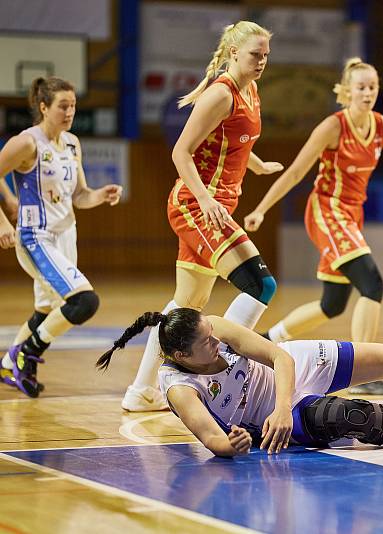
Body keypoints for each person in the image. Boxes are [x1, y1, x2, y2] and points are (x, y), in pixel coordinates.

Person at [244, 57, 383, 396]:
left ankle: (267, 341)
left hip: (351, 215)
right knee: (373, 284)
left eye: (373, 87)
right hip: (326, 210)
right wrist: (262, 209)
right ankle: (364, 372)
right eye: (361, 87)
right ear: (347, 91)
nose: (368, 93)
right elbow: (295, 172)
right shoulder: (333, 126)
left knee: (332, 304)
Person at [98, 309, 383, 456]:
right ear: (180, 357)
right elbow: (213, 440)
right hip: (274, 418)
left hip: (292, 372)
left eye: (214, 335)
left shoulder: (213, 329)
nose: (216, 342)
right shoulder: (180, 389)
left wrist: (283, 402)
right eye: (206, 345)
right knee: (353, 417)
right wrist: (233, 445)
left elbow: (277, 354)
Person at [123, 21, 285, 411]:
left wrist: (257, 165)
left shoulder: (252, 89)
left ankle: (143, 391)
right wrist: (206, 199)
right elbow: (182, 151)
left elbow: (233, 143)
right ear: (233, 54)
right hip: (196, 205)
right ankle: (222, 373)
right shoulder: (220, 94)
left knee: (185, 305)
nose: (261, 61)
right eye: (254, 55)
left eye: (265, 55)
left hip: (217, 204)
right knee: (260, 286)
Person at [0, 77, 123, 397]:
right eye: (62, 106)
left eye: (73, 106)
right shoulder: (27, 143)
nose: (69, 112)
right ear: (43, 107)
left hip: (67, 233)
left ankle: (7, 364)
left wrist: (100, 195)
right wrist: (2, 220)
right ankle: (27, 353)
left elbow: (80, 195)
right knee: (84, 301)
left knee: (46, 310)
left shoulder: (71, 143)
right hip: (36, 237)